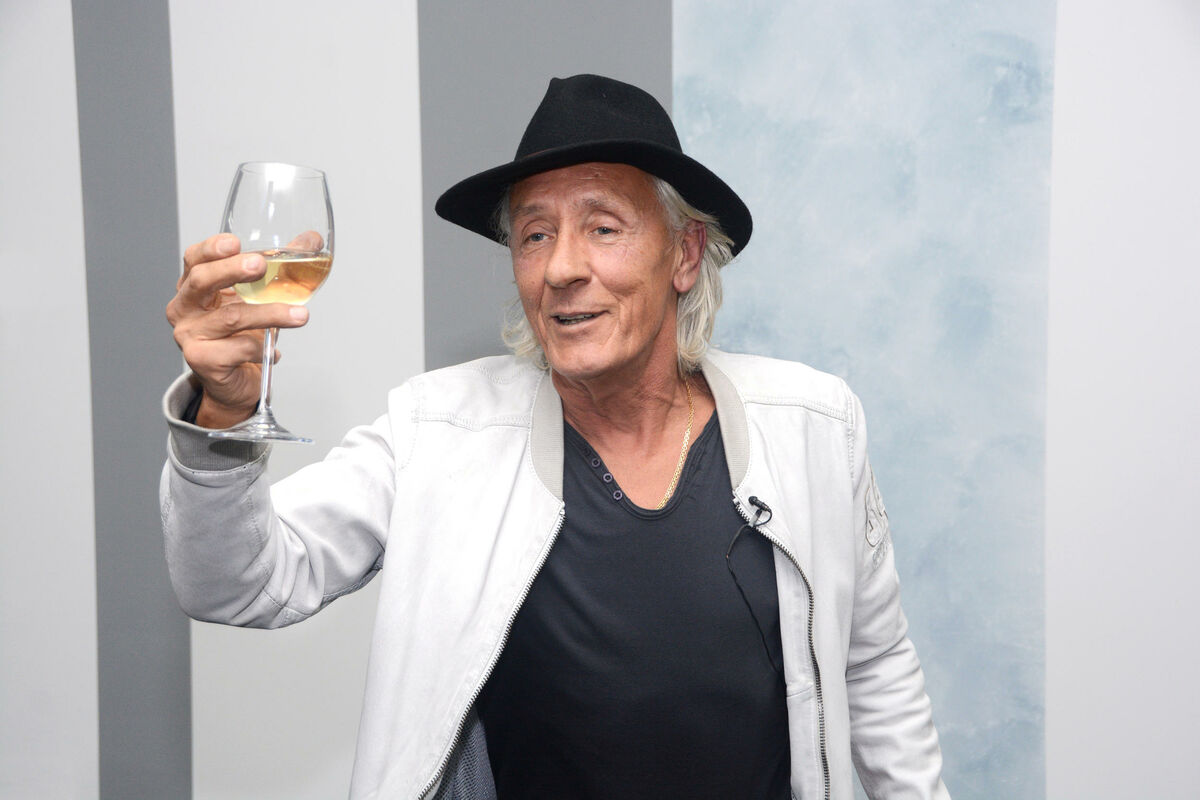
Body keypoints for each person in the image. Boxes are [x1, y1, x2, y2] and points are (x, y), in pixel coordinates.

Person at [162, 74, 949, 800]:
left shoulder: (815, 425)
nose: (561, 268)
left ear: (684, 254)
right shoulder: (437, 432)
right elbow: (236, 582)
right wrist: (221, 419)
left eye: (603, 227)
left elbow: (874, 663)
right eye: (535, 235)